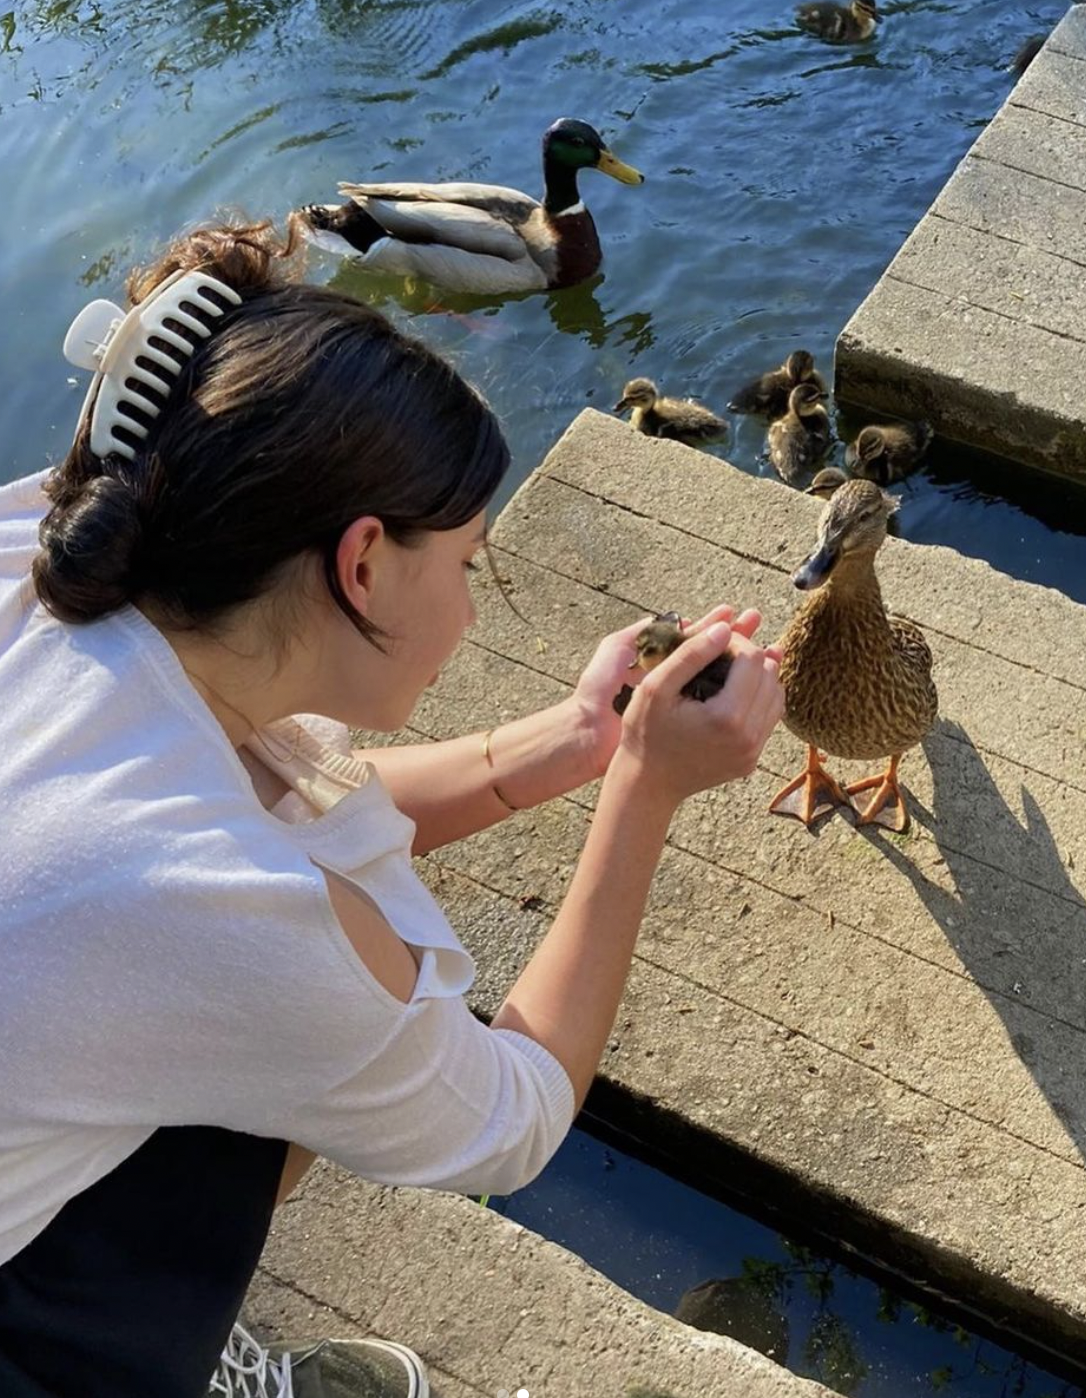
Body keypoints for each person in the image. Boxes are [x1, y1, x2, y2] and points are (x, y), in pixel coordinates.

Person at [0, 219, 784, 1398]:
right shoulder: (230, 915)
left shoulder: (52, 546)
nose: (471, 608)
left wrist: (574, 742)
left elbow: (269, 815)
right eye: (468, 563)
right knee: (292, 1076)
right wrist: (645, 788)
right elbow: (513, 1119)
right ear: (361, 563)